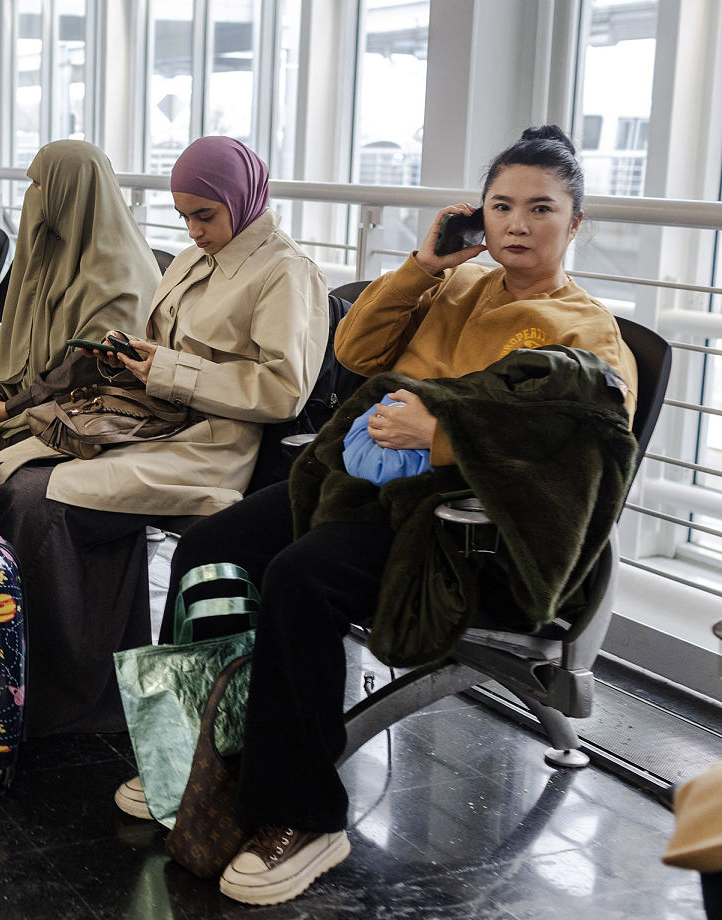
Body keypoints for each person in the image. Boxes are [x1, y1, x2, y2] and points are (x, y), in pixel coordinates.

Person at [141, 126, 640, 907]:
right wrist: (425, 264)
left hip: (463, 534)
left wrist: (441, 440)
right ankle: (198, 754)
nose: (516, 223)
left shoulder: (588, 334)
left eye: (541, 208)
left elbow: (574, 469)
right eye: (501, 205)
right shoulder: (456, 287)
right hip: (369, 489)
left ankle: (303, 816)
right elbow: (357, 349)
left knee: (299, 578)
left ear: (575, 223)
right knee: (212, 545)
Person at [0, 135, 328, 738]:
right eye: (184, 217)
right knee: (17, 473)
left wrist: (168, 370)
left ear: (244, 199)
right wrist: (141, 359)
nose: (194, 230)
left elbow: (284, 391)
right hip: (159, 425)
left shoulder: (284, 272)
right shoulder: (195, 261)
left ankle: (69, 701)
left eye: (205, 215)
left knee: (40, 501)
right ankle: (63, 682)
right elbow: (174, 350)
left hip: (216, 449)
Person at [0, 139, 162, 440]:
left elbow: (84, 371)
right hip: (33, 402)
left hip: (80, 415)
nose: (31, 196)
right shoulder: (58, 251)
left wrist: (7, 409)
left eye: (38, 185)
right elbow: (20, 333)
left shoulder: (120, 274)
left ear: (70, 193)